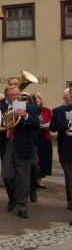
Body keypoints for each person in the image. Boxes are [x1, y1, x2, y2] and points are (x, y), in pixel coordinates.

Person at [0, 84, 40, 218]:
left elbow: (36, 125)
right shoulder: (3, 108)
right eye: (12, 95)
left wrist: (26, 116)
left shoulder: (30, 108)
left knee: (23, 178)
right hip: (7, 145)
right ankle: (13, 197)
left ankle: (22, 206)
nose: (16, 97)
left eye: (17, 94)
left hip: (23, 145)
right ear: (7, 97)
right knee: (7, 175)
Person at [50, 88, 72, 219]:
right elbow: (53, 127)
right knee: (70, 177)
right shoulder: (59, 111)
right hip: (66, 149)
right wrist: (67, 122)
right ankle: (70, 201)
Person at [33, 93, 52, 192]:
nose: (37, 100)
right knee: (35, 160)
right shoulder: (31, 109)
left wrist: (48, 125)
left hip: (44, 137)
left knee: (43, 159)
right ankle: (33, 180)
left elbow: (50, 121)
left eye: (39, 98)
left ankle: (39, 179)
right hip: (34, 137)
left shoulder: (47, 110)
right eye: (35, 98)